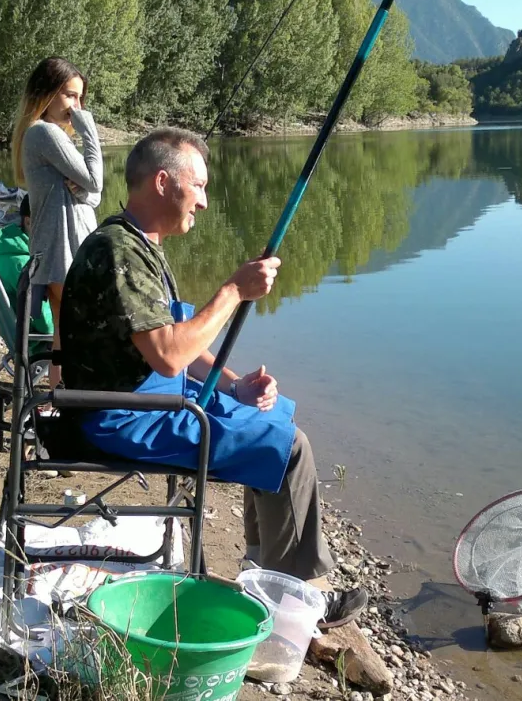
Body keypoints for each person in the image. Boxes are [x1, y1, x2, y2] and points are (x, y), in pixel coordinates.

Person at [58, 128, 368, 628]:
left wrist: (234, 385)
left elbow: (179, 343)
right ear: (163, 182)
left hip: (150, 399)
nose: (204, 201)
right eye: (198, 186)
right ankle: (299, 594)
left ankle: (261, 564)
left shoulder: (138, 243)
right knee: (290, 449)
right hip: (124, 416)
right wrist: (232, 291)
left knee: (272, 413)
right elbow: (165, 354)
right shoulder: (118, 251)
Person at [11, 57, 103, 387]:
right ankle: (64, 399)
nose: (76, 106)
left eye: (80, 98)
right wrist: (89, 130)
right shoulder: (45, 133)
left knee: (65, 332)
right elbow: (95, 182)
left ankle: (57, 399)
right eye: (69, 95)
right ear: (45, 93)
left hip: (65, 247)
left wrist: (87, 192)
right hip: (63, 250)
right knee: (76, 330)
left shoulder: (45, 135)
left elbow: (92, 196)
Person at [0, 195, 54, 347]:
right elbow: (46, 325)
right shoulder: (23, 265)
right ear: (28, 221)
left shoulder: (8, 251)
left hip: (23, 338)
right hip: (39, 346)